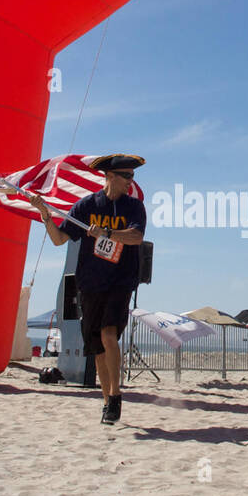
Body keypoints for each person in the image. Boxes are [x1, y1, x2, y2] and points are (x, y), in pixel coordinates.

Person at [31, 154, 146, 426]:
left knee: (109, 334)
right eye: (127, 176)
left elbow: (136, 237)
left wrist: (106, 233)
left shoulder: (134, 207)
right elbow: (59, 239)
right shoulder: (85, 206)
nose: (131, 181)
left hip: (120, 281)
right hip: (91, 282)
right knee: (97, 347)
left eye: (132, 175)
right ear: (110, 177)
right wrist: (45, 214)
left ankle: (116, 396)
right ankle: (107, 400)